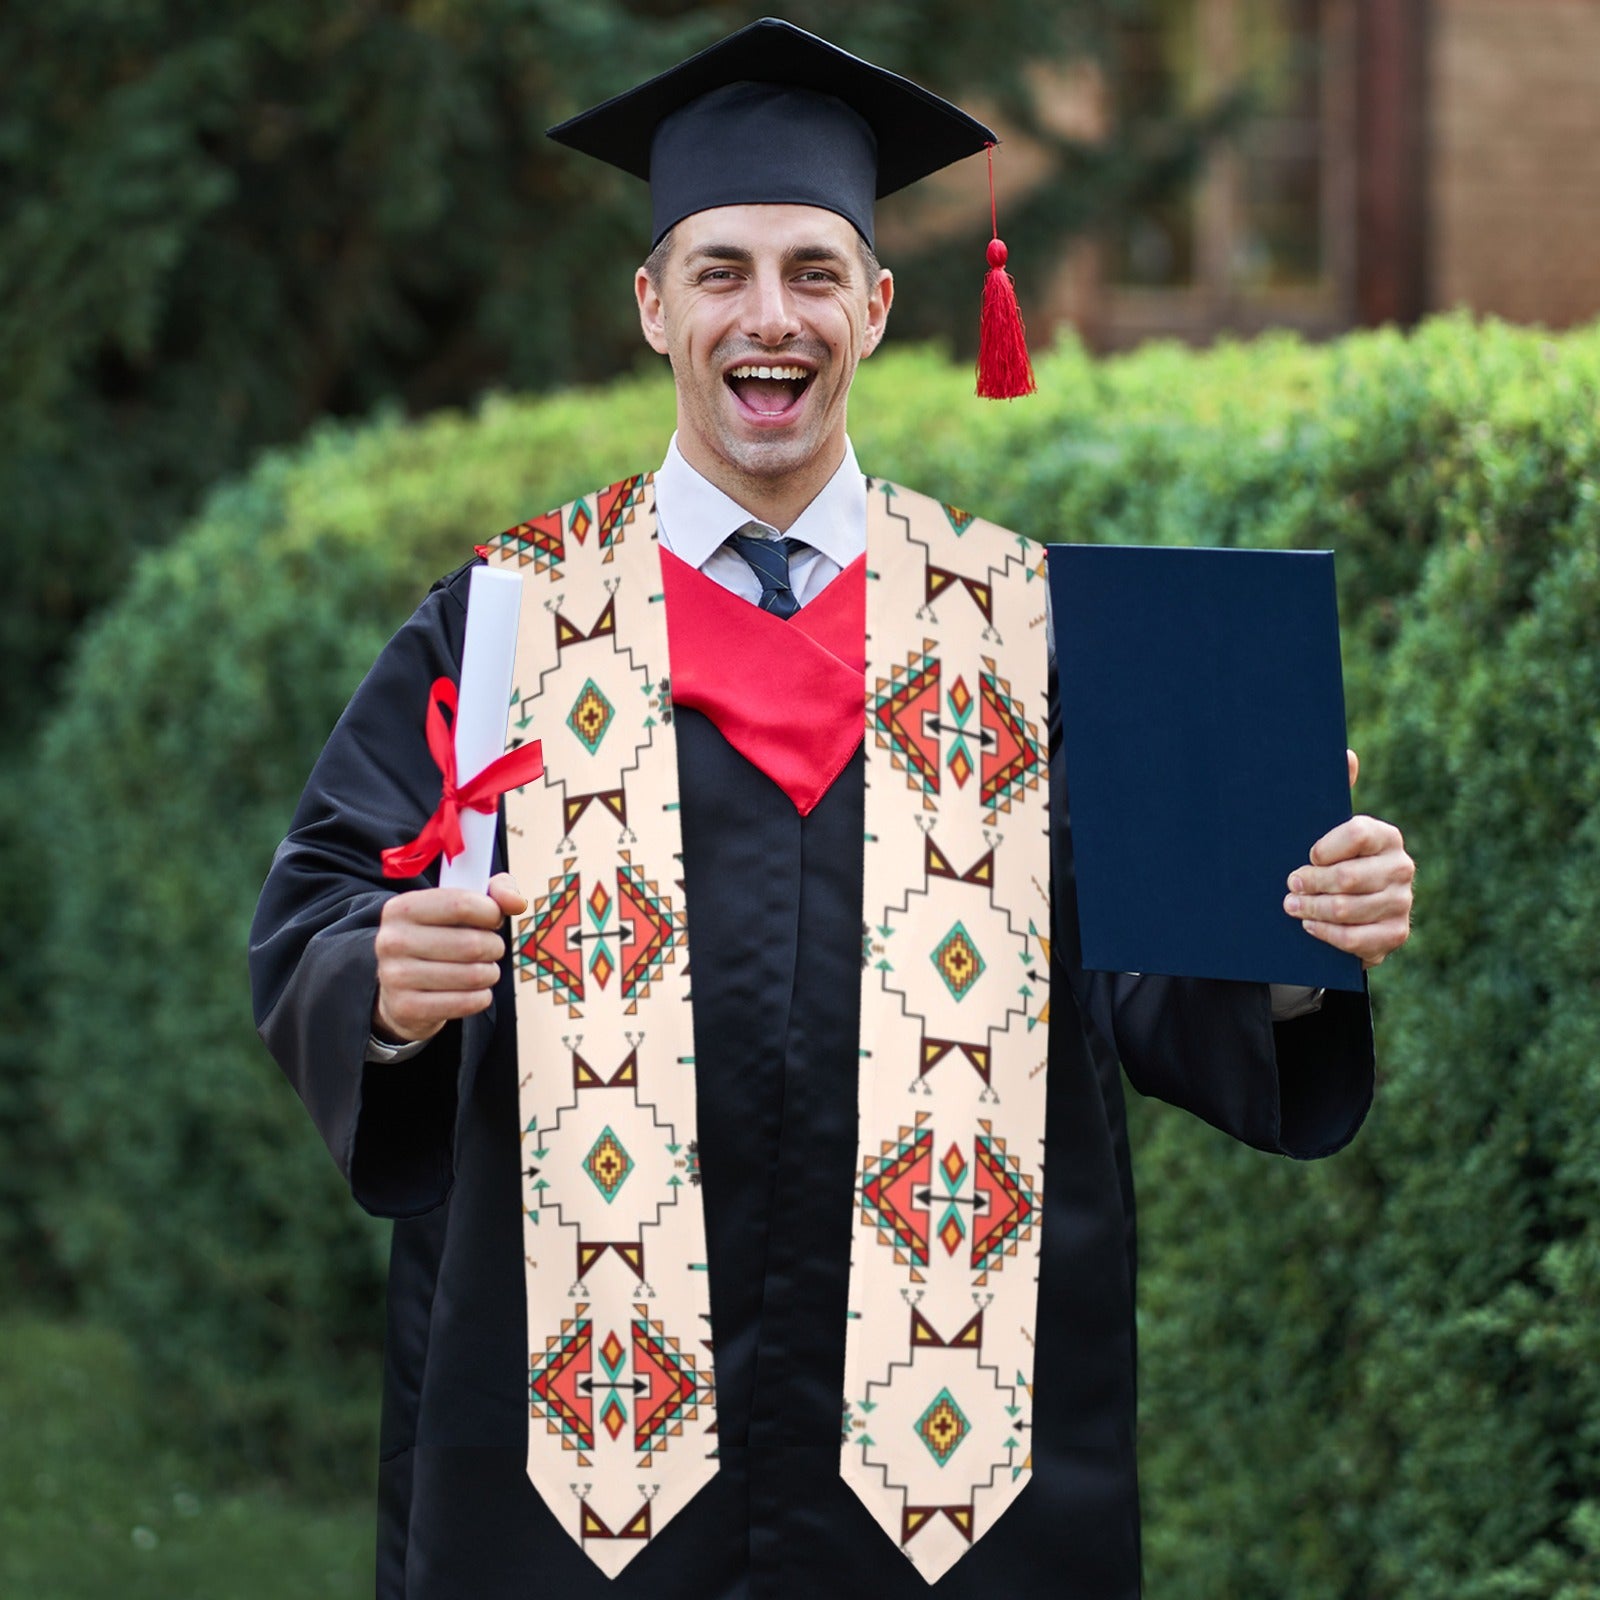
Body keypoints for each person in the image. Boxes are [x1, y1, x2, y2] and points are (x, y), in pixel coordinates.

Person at [249, 19, 1414, 1600]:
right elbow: (325, 902)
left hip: (956, 1473)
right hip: (581, 1464)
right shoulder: (512, 624)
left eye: (812, 271)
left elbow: (1150, 977)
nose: (768, 316)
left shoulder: (1028, 626)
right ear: (654, 305)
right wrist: (380, 985)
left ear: (877, 305)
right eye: (721, 270)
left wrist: (1292, 934)